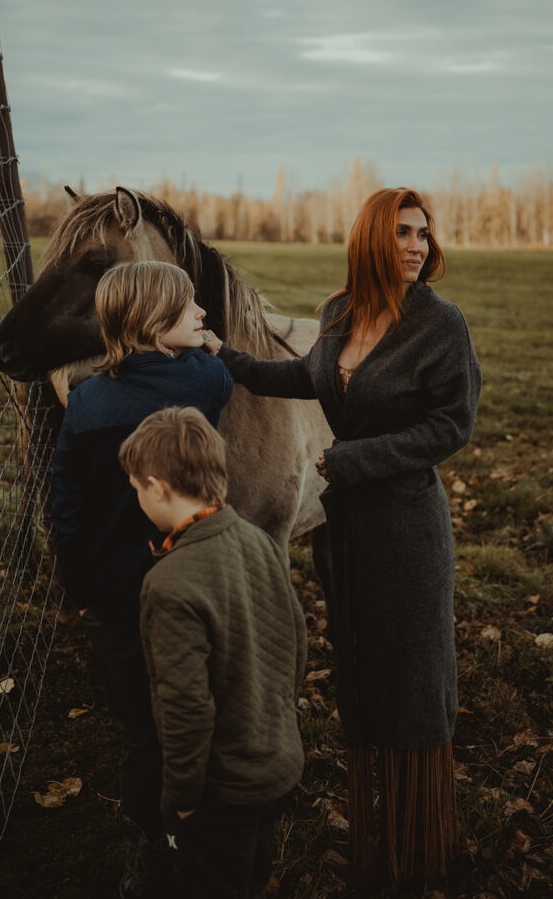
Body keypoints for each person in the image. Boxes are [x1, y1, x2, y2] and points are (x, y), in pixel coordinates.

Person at [203, 187, 482, 886]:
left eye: (422, 233)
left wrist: (352, 459)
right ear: (369, 242)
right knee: (358, 667)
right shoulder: (338, 314)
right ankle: (371, 833)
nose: (415, 245)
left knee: (411, 678)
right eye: (400, 233)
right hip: (347, 523)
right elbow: (303, 376)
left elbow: (451, 425)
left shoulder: (439, 326)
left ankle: (419, 841)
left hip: (406, 522)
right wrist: (226, 356)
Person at [51, 261, 233, 899]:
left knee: (138, 726)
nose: (203, 317)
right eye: (190, 310)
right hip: (187, 587)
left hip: (113, 595)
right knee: (195, 706)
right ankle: (201, 826)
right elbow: (215, 362)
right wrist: (209, 346)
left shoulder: (88, 400)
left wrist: (80, 586)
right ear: (158, 323)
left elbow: (66, 503)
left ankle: (150, 843)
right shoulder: (207, 380)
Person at [118, 405, 307, 899]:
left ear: (158, 487)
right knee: (252, 871)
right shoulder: (258, 540)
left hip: (222, 791)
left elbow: (185, 708)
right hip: (277, 764)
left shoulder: (169, 583)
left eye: (137, 488)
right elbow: (296, 638)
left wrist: (180, 799)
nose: (138, 497)